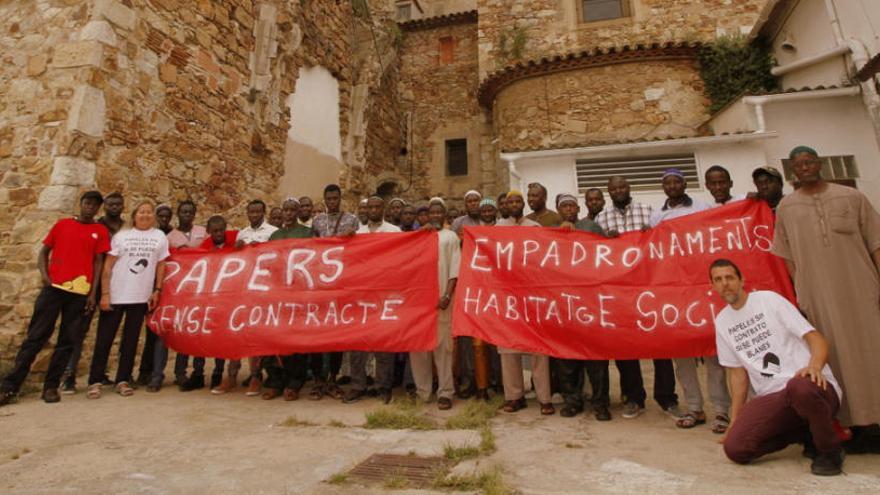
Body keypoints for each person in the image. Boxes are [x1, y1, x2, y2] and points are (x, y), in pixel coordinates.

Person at [772, 145, 880, 451]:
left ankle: (875, 423)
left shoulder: (852, 197)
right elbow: (787, 256)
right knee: (833, 359)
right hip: (817, 297)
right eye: (798, 165)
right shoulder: (787, 208)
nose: (805, 167)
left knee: (872, 354)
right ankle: (847, 425)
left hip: (862, 291)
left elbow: (875, 242)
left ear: (819, 164)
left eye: (809, 162)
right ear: (792, 171)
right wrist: (801, 293)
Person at [709, 259, 845, 475]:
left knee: (797, 387)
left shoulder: (769, 300)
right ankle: (806, 431)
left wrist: (815, 367)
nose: (725, 283)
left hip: (811, 387)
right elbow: (737, 375)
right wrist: (734, 420)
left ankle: (829, 450)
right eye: (718, 279)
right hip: (775, 398)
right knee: (736, 449)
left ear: (741, 280)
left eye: (730, 277)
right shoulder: (722, 321)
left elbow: (816, 338)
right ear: (713, 286)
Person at [1, 191, 109, 406]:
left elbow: (98, 263)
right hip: (54, 289)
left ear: (98, 209)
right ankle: (10, 386)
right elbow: (44, 252)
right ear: (81, 204)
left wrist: (92, 293)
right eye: (87, 203)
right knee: (36, 337)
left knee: (67, 341)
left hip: (79, 292)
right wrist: (45, 276)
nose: (90, 207)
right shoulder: (63, 225)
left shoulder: (100, 231)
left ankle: (50, 386)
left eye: (95, 205)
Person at [595, 176, 679, 419]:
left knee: (660, 348)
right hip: (620, 293)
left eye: (622, 186)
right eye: (613, 188)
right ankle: (634, 398)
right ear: (609, 192)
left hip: (648, 289)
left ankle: (667, 398)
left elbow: (662, 241)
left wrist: (649, 234)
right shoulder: (602, 218)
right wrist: (607, 241)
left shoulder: (648, 211)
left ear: (629, 188)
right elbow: (597, 254)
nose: (618, 191)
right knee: (625, 349)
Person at [651, 169, 729, 430]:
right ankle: (694, 408)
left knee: (713, 354)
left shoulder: (703, 206)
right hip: (673, 291)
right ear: (663, 187)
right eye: (667, 183)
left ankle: (721, 410)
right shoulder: (657, 215)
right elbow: (650, 248)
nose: (672, 186)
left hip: (702, 287)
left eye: (676, 181)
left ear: (684, 184)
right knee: (682, 356)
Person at [87, 200, 169, 399]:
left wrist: (157, 289)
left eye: (149, 212)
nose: (145, 215)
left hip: (140, 297)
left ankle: (123, 379)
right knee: (104, 340)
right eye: (142, 212)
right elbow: (107, 267)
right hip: (116, 294)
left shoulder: (159, 237)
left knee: (130, 342)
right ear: (134, 215)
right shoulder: (122, 236)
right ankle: (95, 380)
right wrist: (105, 294)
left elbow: (161, 264)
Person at [212, 200, 278, 396]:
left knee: (255, 334)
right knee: (237, 331)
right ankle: (231, 376)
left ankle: (256, 376)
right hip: (243, 287)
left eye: (258, 211)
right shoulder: (242, 234)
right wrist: (238, 248)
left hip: (264, 287)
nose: (255, 214)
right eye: (251, 211)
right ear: (247, 213)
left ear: (264, 212)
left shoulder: (273, 232)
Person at [60, 192, 125, 393]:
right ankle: (69, 375)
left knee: (106, 333)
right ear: (104, 206)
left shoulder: (126, 228)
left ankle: (98, 374)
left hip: (115, 285)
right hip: (92, 285)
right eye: (110, 204)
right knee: (79, 330)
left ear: (123, 206)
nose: (114, 207)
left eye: (118, 204)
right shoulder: (97, 227)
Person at [497, 190, 554, 415]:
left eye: (517, 201)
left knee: (539, 349)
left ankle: (544, 397)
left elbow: (544, 260)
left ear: (523, 204)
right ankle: (514, 396)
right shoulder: (497, 230)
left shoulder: (535, 228)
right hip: (507, 296)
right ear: (505, 205)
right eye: (509, 201)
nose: (513, 204)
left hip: (532, 296)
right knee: (508, 349)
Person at [556, 194, 611, 420]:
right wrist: (561, 233)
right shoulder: (552, 231)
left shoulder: (592, 227)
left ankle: (600, 403)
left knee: (596, 358)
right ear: (559, 210)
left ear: (578, 208)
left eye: (571, 206)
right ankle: (572, 401)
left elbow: (607, 254)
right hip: (563, 302)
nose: (568, 209)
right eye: (564, 206)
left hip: (590, 301)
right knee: (567, 359)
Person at [346, 197, 399, 405]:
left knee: (383, 342)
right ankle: (358, 385)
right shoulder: (357, 233)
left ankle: (383, 386)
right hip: (360, 295)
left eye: (377, 206)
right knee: (357, 342)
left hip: (384, 294)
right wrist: (346, 240)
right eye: (370, 207)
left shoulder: (394, 232)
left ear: (383, 209)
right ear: (365, 210)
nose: (374, 210)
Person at [308, 184, 360, 400]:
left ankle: (332, 378)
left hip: (342, 284)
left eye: (335, 198)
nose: (332, 201)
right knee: (318, 334)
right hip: (321, 284)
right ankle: (319, 380)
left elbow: (359, 248)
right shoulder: (318, 221)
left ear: (340, 198)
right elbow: (310, 247)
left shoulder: (351, 220)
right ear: (324, 199)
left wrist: (352, 236)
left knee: (337, 336)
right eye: (328, 198)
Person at [261, 198, 314, 401]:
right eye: (286, 210)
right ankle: (275, 381)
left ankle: (294, 382)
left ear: (298, 212)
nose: (289, 214)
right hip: (276, 293)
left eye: (293, 210)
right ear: (282, 213)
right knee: (272, 339)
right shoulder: (274, 235)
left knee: (294, 339)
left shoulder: (306, 233)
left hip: (298, 292)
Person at [410, 202, 459, 410]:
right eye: (432, 212)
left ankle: (446, 392)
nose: (436, 215)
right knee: (418, 347)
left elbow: (455, 269)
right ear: (427, 215)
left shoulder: (451, 237)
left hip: (442, 300)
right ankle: (423, 391)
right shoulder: (419, 237)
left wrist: (447, 294)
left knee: (443, 348)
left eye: (439, 212)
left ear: (445, 215)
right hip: (419, 303)